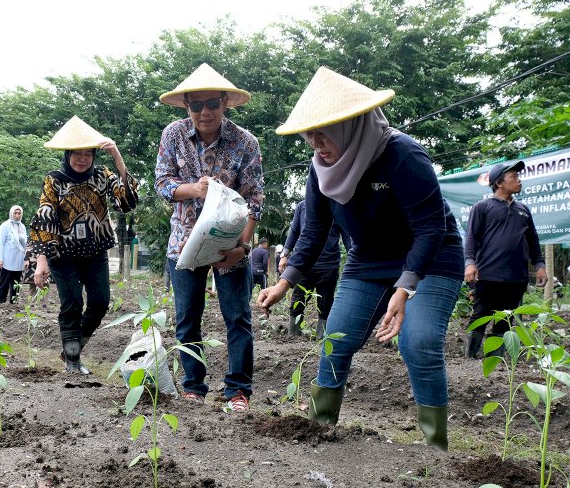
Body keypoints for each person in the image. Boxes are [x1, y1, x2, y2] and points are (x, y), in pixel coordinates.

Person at [258, 67, 463, 450]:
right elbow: (315, 232)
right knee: (336, 339)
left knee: (417, 341)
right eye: (309, 133)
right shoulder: (320, 167)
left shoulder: (402, 155)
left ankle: (437, 448)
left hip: (431, 257)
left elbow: (431, 228)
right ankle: (319, 428)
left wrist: (405, 288)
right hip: (368, 259)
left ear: (351, 124)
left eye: (325, 131)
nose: (316, 142)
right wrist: (284, 282)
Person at [155, 63, 264, 412]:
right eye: (196, 105)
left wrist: (242, 246)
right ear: (186, 106)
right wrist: (193, 189)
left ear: (225, 104)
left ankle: (237, 392)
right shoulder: (172, 135)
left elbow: (254, 198)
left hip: (229, 244)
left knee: (238, 317)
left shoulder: (245, 142)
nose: (205, 112)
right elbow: (162, 184)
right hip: (184, 243)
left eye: (212, 104)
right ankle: (194, 386)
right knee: (188, 316)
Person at [31, 116, 138, 374]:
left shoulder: (103, 175)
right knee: (72, 303)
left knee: (100, 302)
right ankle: (72, 360)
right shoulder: (54, 180)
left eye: (88, 154)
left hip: (95, 251)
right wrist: (41, 262)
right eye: (76, 154)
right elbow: (45, 217)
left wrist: (117, 157)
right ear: (68, 155)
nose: (82, 159)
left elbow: (126, 202)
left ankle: (73, 347)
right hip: (63, 254)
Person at [463, 161, 547, 358]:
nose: (519, 180)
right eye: (514, 177)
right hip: (488, 274)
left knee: (506, 319)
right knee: (481, 314)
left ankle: (493, 359)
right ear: (499, 183)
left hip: (517, 277)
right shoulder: (482, 207)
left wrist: (540, 265)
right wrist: (469, 263)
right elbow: (471, 238)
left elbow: (533, 241)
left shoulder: (523, 210)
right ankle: (470, 357)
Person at [279, 199, 350, 336]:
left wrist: (354, 255)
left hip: (329, 265)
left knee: (325, 302)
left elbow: (346, 234)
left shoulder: (337, 205)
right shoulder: (302, 206)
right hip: (304, 264)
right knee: (298, 300)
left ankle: (322, 336)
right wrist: (284, 255)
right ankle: (294, 334)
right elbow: (294, 230)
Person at [0, 205, 27, 304]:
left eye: (19, 213)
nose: (17, 215)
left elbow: (25, 244)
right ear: (11, 213)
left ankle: (14, 301)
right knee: (4, 280)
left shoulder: (22, 226)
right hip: (7, 258)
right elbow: (0, 243)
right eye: (15, 213)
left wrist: (27, 258)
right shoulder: (5, 225)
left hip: (19, 258)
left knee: (16, 281)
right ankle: (0, 300)